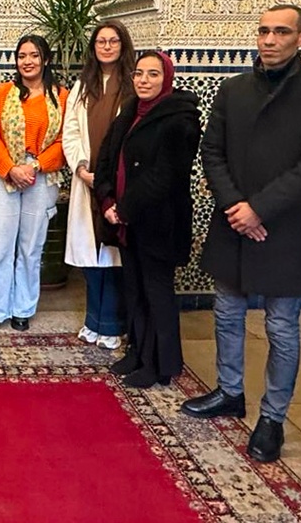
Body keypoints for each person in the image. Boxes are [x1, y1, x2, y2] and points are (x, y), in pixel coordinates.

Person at [181, 4, 301, 463]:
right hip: (233, 219)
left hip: (282, 226)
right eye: (263, 31)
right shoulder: (233, 89)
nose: (270, 40)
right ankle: (229, 391)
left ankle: (272, 418)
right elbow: (212, 151)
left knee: (281, 325)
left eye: (281, 32)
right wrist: (237, 206)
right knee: (227, 311)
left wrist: (259, 209)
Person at [93, 50, 201, 388]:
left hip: (157, 222)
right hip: (126, 222)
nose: (144, 80)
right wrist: (107, 199)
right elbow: (107, 157)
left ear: (166, 78)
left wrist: (125, 209)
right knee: (134, 288)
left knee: (157, 292)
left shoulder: (180, 119)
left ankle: (160, 364)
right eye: (139, 73)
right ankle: (137, 352)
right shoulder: (129, 112)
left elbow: (165, 175)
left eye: (153, 74)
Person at [0, 35, 68, 333]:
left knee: (31, 247)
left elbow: (64, 140)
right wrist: (10, 169)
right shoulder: (3, 92)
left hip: (41, 177)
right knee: (0, 245)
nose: (27, 61)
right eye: (22, 56)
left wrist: (35, 165)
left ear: (45, 59)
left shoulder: (61, 96)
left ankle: (23, 308)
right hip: (3, 176)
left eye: (34, 55)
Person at [62, 21, 136, 350]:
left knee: (114, 255)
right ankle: (93, 321)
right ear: (93, 47)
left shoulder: (132, 84)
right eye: (101, 41)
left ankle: (112, 325)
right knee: (90, 256)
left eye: (113, 41)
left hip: (118, 182)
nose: (106, 47)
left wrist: (111, 175)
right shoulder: (83, 86)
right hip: (87, 179)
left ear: (123, 45)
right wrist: (81, 167)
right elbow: (70, 131)